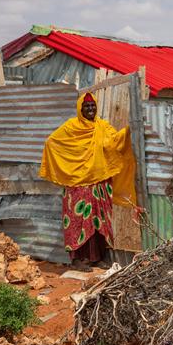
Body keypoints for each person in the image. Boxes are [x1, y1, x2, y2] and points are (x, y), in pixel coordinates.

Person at [39, 92, 136, 270]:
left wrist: (129, 131)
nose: (90, 109)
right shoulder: (71, 127)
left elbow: (115, 143)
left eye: (93, 106)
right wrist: (69, 167)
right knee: (78, 220)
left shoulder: (103, 127)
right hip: (78, 184)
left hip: (100, 183)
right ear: (80, 109)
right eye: (86, 107)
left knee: (100, 222)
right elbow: (51, 142)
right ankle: (77, 261)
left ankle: (96, 258)